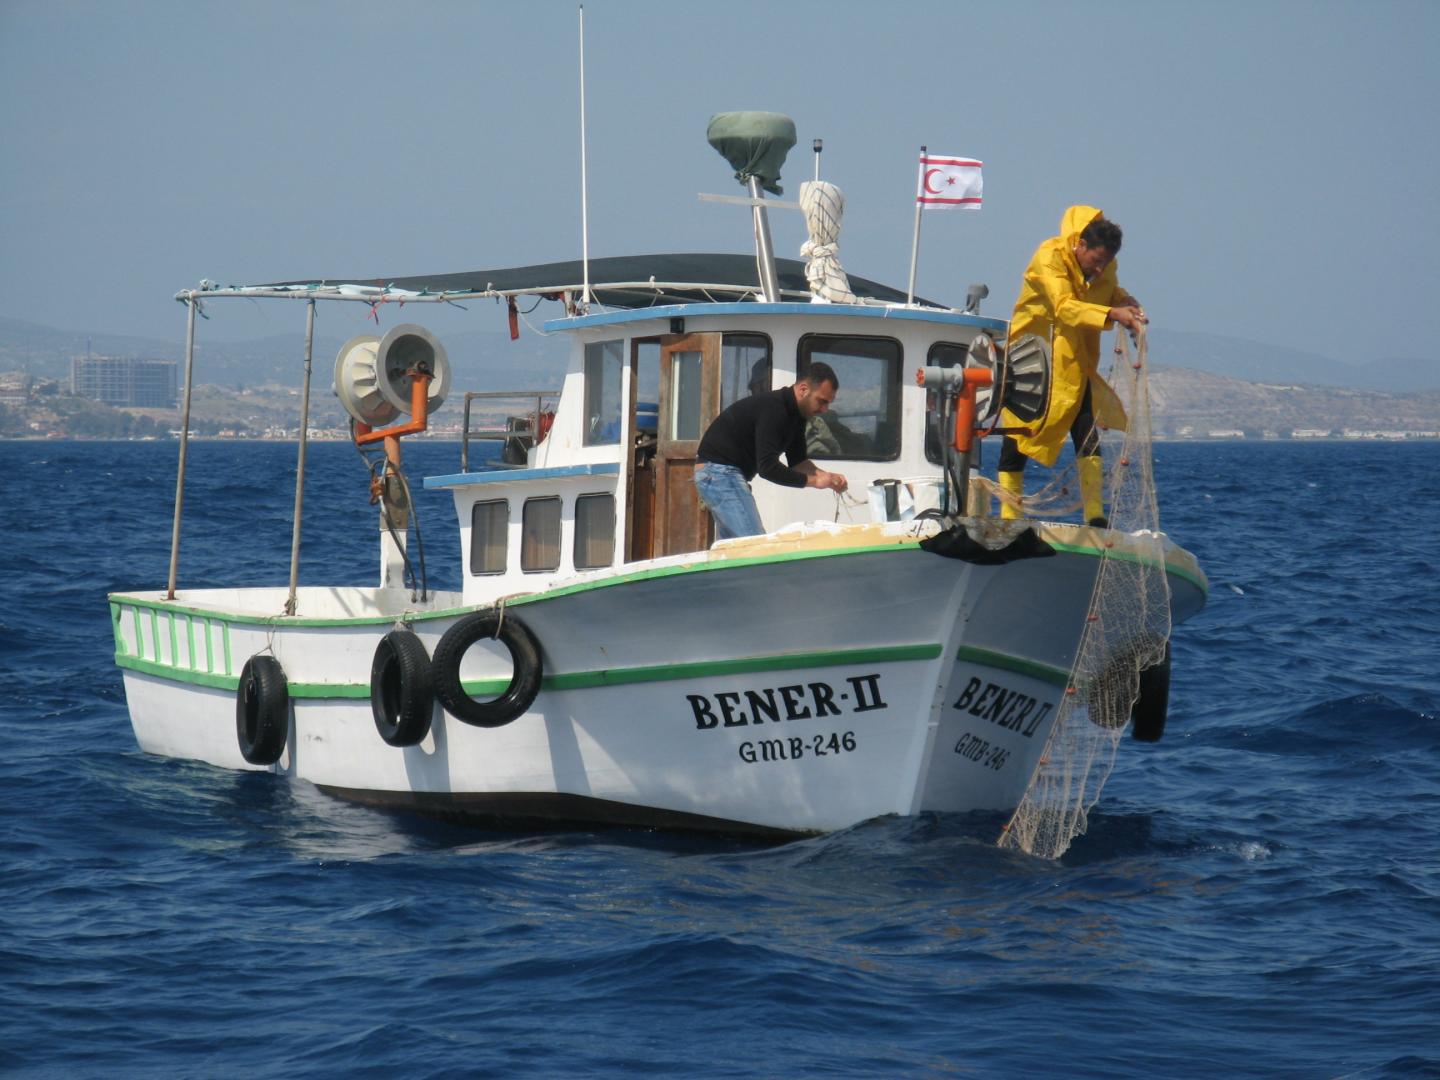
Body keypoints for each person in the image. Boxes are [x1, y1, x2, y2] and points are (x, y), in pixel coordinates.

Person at [997, 206, 1148, 527]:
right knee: (1019, 431)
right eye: (1096, 260)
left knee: (1085, 427)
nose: (1100, 268)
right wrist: (1113, 314)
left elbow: (1108, 291)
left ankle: (1094, 514)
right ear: (1081, 245)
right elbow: (1064, 307)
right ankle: (1010, 516)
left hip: (1076, 357)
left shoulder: (1105, 265)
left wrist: (1124, 301)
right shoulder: (1049, 257)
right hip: (1034, 356)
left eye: (1106, 262)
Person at [694, 362, 849, 539]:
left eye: (828, 404)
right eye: (822, 401)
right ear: (803, 390)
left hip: (720, 473)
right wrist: (814, 481)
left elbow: (798, 462)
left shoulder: (797, 416)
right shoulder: (775, 409)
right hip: (719, 472)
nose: (825, 409)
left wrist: (827, 477)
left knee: (735, 547)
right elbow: (767, 468)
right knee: (754, 544)